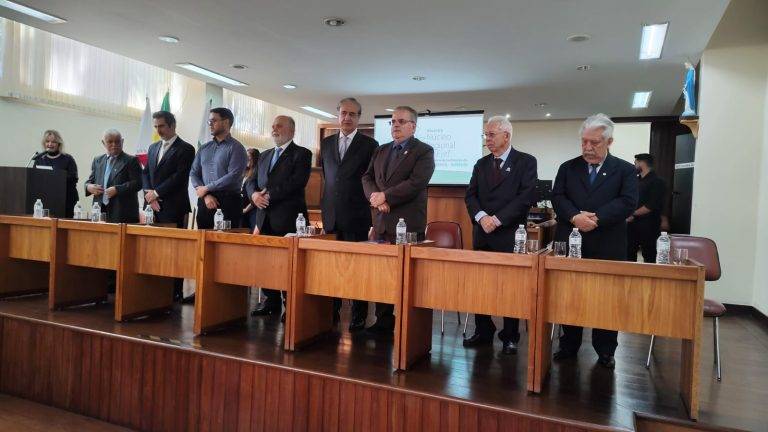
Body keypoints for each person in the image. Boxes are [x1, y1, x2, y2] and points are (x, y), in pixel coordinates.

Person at [551, 113, 638, 369]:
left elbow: (627, 202)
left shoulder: (624, 170)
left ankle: (606, 349)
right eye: (584, 142)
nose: (588, 148)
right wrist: (575, 216)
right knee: (570, 296)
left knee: (606, 299)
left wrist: (596, 219)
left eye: (594, 143)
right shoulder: (568, 167)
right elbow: (558, 197)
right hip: (571, 241)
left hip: (607, 244)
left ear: (609, 142)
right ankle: (569, 344)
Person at [463, 116, 538, 355]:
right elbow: (470, 196)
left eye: (491, 135)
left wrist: (496, 219)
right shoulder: (481, 164)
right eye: (486, 135)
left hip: (509, 234)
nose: (487, 140)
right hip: (482, 233)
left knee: (510, 287)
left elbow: (525, 198)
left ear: (507, 135)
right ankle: (483, 330)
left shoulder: (525, 162)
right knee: (481, 286)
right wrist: (482, 217)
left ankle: (510, 335)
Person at [361, 105, 435, 335]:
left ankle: (408, 324)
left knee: (407, 278)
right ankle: (383, 321)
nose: (395, 126)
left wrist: (386, 197)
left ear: (413, 126)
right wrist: (375, 198)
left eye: (401, 121)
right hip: (382, 221)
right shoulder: (381, 150)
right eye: (393, 121)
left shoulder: (423, 151)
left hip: (407, 225)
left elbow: (416, 183)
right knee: (383, 275)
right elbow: (367, 177)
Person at [319, 97, 379, 331]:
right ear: (338, 114)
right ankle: (332, 310)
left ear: (359, 118)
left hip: (357, 215)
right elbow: (328, 177)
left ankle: (359, 314)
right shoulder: (327, 143)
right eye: (344, 113)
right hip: (331, 215)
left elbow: (369, 178)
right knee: (332, 268)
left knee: (356, 268)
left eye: (352, 114)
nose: (347, 118)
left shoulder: (369, 145)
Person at [247, 115, 312, 319]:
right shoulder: (265, 155)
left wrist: (269, 195)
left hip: (290, 219)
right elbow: (251, 181)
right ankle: (271, 301)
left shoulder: (301, 154)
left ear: (292, 131)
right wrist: (254, 195)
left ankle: (289, 304)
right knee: (268, 263)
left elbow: (297, 182)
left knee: (289, 265)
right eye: (273, 126)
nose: (275, 129)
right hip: (264, 218)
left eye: (280, 126)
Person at [189, 107, 247, 229]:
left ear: (226, 122)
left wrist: (207, 188)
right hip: (205, 201)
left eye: (213, 121)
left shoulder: (237, 148)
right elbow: (194, 172)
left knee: (226, 245)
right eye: (209, 121)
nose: (210, 124)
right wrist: (205, 194)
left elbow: (234, 175)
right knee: (203, 242)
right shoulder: (204, 148)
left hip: (228, 201)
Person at [142, 111, 195, 228]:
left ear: (173, 125)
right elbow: (145, 173)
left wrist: (156, 193)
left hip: (173, 206)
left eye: (161, 126)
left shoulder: (186, 149)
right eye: (155, 127)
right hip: (151, 205)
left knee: (172, 245)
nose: (158, 131)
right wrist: (150, 196)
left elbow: (179, 176)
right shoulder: (153, 147)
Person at [84, 129, 143, 223]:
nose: (114, 145)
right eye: (110, 142)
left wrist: (117, 189)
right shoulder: (97, 160)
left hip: (122, 213)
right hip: (100, 210)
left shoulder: (131, 160)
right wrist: (88, 187)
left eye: (117, 141)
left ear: (122, 141)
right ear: (103, 143)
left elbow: (138, 183)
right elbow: (90, 181)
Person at [627, 153, 667, 263]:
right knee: (628, 253)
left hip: (649, 225)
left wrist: (632, 213)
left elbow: (651, 205)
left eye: (635, 163)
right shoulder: (635, 180)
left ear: (642, 163)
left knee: (650, 255)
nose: (634, 165)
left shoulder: (657, 181)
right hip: (632, 224)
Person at [33, 130, 79, 218]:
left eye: (53, 142)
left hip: (65, 201)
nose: (50, 144)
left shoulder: (68, 159)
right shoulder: (40, 159)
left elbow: (74, 178)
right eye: (47, 141)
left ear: (59, 144)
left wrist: (56, 176)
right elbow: (35, 178)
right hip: (45, 200)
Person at [240, 147, 260, 230]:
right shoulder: (244, 172)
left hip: (252, 210)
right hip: (242, 209)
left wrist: (245, 210)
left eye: (249, 158)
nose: (246, 159)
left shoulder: (257, 174)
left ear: (255, 159)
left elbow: (257, 194)